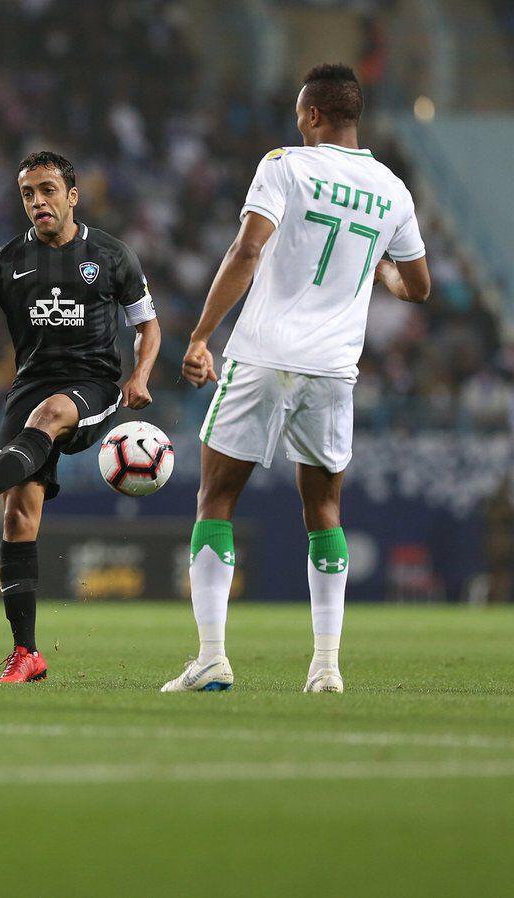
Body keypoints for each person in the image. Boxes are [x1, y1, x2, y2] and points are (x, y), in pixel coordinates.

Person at [160, 64, 431, 694]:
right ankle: (327, 667)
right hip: (333, 369)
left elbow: (248, 251)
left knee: (216, 499)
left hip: (262, 356)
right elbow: (415, 285)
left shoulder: (285, 165)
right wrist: (375, 270)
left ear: (311, 115)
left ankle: (211, 657)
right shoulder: (393, 190)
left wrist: (201, 336)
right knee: (325, 509)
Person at [0, 150, 161, 683]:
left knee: (52, 414)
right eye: (28, 194)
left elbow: (148, 325)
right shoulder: (5, 261)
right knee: (19, 518)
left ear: (72, 195)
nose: (38, 202)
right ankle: (26, 652)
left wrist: (139, 375)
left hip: (93, 387)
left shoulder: (112, 255)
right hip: (28, 389)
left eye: (48, 190)